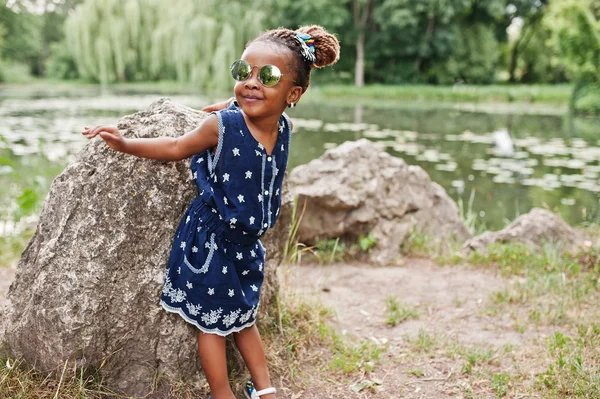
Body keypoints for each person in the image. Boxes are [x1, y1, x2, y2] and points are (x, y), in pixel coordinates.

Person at [82, 25, 340, 399]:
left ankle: (264, 389)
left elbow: (261, 110)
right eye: (242, 73)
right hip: (212, 240)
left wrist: (237, 104)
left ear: (293, 95)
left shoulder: (282, 127)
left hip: (247, 243)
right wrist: (125, 143)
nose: (251, 83)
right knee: (213, 327)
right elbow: (174, 146)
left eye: (267, 77)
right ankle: (223, 394)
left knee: (245, 319)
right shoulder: (221, 127)